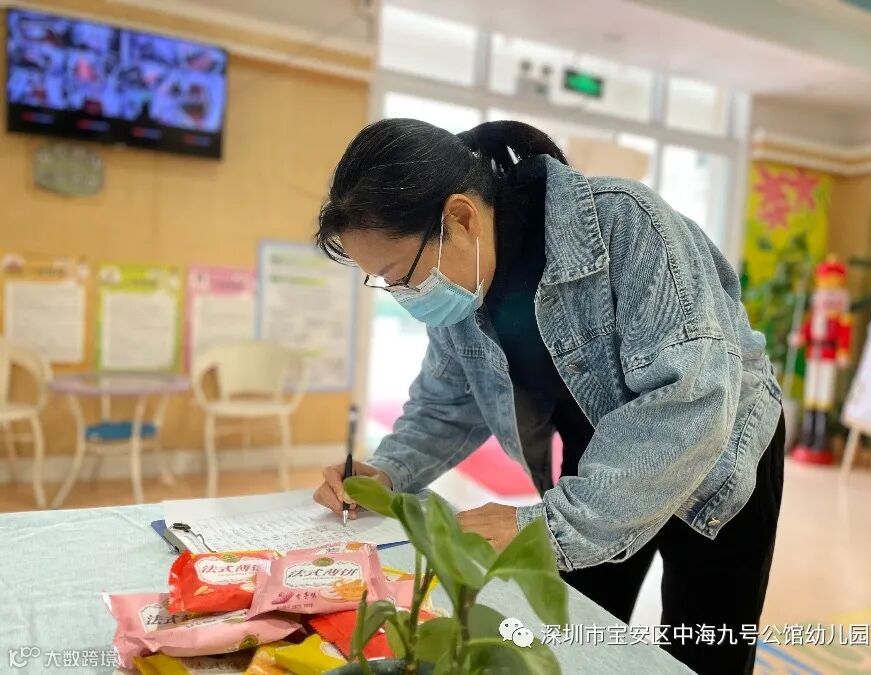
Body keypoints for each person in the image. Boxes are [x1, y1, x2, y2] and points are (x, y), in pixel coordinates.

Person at [312, 118, 784, 675]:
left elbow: (690, 400)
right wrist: (387, 472)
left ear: (461, 218)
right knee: (575, 629)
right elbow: (446, 403)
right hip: (596, 452)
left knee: (705, 647)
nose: (403, 296)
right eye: (384, 283)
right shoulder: (462, 287)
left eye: (400, 276)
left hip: (720, 451)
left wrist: (551, 526)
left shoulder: (628, 224)